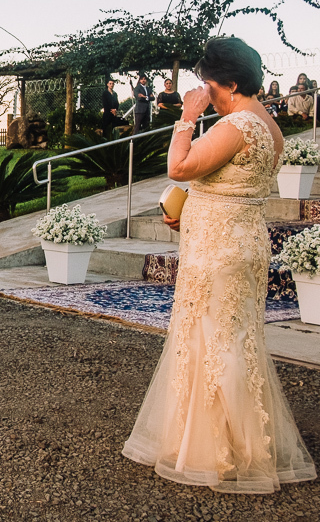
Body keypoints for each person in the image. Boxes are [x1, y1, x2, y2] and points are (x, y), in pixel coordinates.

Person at [122, 36, 316, 493]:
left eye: (208, 85)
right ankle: (235, 441)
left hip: (220, 250)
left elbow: (179, 168)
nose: (204, 93)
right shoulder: (269, 126)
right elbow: (233, 189)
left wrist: (187, 117)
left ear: (229, 83)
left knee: (217, 341)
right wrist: (189, 211)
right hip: (238, 240)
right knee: (232, 338)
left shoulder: (237, 124)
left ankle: (223, 452)